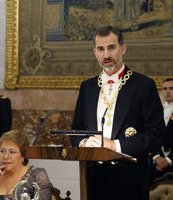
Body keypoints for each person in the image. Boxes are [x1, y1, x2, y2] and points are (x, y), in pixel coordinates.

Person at [71, 26, 166, 200]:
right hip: (92, 177)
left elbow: (157, 134)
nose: (106, 55)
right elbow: (76, 129)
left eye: (111, 47)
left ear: (123, 48)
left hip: (131, 178)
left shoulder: (143, 85)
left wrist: (115, 146)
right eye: (101, 49)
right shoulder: (87, 87)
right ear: (95, 52)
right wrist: (84, 142)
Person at [0, 129, 52, 200]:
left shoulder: (37, 175)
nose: (5, 156)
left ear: (23, 156)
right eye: (2, 151)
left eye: (12, 152)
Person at [150, 78, 173, 182]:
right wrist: (156, 157)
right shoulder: (155, 111)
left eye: (171, 88)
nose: (167, 91)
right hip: (156, 164)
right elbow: (150, 135)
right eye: (165, 88)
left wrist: (169, 160)